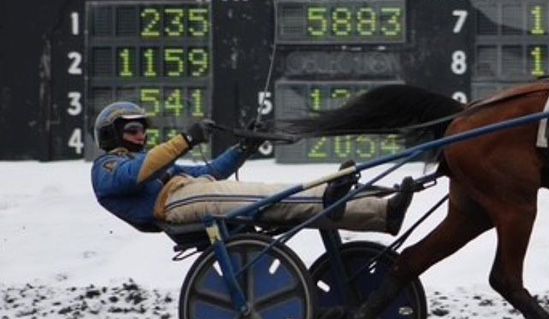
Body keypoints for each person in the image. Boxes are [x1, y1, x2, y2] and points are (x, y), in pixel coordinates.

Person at [90, 101, 413, 235]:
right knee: (276, 198)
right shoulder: (107, 166)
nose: (141, 135)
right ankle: (338, 197)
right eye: (132, 130)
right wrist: (185, 139)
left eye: (142, 128)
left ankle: (381, 212)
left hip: (192, 194)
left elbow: (212, 172)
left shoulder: (156, 165)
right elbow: (134, 176)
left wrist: (244, 146)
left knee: (275, 196)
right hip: (173, 206)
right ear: (112, 134)